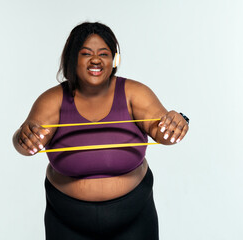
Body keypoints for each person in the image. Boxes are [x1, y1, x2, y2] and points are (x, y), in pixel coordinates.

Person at [12, 22, 189, 240]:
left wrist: (176, 124)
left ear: (114, 60)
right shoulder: (52, 99)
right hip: (67, 219)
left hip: (134, 215)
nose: (95, 60)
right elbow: (25, 143)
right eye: (86, 53)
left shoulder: (135, 92)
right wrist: (24, 138)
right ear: (72, 59)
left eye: (103, 54)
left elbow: (163, 133)